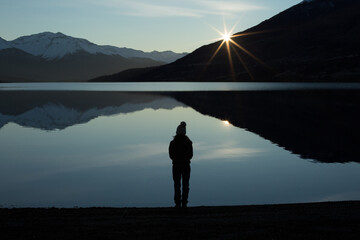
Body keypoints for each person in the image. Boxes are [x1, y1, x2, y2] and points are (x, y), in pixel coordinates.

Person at [169, 121, 193, 208]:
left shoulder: (173, 143)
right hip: (186, 165)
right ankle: (184, 203)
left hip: (176, 166)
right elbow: (191, 155)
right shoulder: (188, 142)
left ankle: (177, 203)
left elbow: (171, 155)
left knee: (177, 185)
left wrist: (176, 160)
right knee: (186, 185)